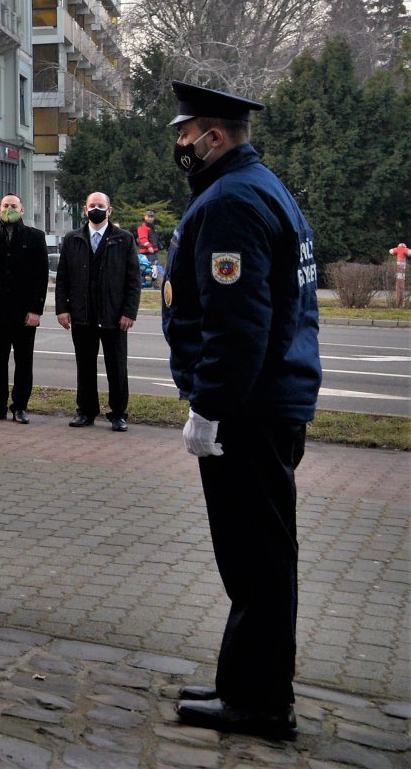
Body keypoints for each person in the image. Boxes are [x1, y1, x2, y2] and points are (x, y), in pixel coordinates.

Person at [158, 82, 320, 742]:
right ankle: (245, 681)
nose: (181, 146)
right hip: (267, 402)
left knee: (255, 555)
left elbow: (239, 323)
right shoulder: (258, 187)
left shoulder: (232, 202)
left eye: (186, 134)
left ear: (215, 136)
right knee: (257, 552)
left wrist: (210, 408)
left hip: (248, 411)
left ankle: (259, 702)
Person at [54, 191, 141, 430]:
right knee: (85, 366)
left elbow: (133, 280)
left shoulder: (124, 239)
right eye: (92, 205)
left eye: (100, 205)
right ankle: (86, 411)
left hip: (114, 316)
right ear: (84, 209)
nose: (96, 209)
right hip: (82, 314)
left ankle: (119, 414)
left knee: (117, 366)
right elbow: (62, 278)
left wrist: (129, 312)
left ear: (109, 210)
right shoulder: (73, 239)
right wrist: (62, 309)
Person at [0, 194, 48, 424]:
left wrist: (36, 310)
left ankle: (20, 407)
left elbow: (40, 276)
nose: (9, 209)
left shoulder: (35, 237)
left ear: (22, 210)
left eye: (13, 206)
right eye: (5, 206)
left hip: (24, 313)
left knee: (24, 362)